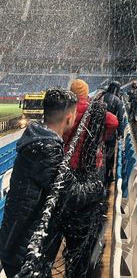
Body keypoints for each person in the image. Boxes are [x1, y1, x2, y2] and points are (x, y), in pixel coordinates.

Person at [0, 88, 105, 278]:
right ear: (69, 118)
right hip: (24, 251)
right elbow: (72, 194)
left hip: (18, 243)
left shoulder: (40, 139)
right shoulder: (46, 148)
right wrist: (97, 186)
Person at [62, 79, 119, 278]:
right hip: (92, 168)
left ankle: (73, 254)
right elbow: (113, 122)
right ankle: (85, 256)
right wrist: (100, 137)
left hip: (70, 168)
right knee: (90, 210)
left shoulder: (68, 110)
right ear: (86, 93)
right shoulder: (94, 109)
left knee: (72, 210)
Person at [103, 81, 124, 181]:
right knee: (110, 154)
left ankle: (100, 172)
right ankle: (109, 173)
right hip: (111, 131)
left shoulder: (101, 97)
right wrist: (120, 133)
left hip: (99, 130)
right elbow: (120, 118)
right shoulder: (117, 101)